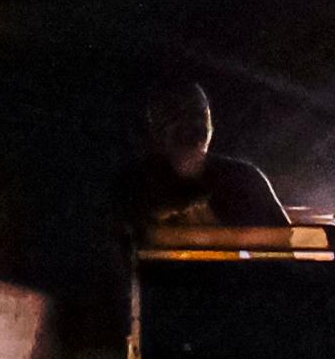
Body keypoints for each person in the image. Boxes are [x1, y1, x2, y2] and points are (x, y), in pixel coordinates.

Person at [115, 73, 295, 247]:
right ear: (154, 127)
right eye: (176, 114)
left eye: (199, 114)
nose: (191, 125)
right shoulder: (132, 186)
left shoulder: (245, 180)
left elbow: (284, 243)